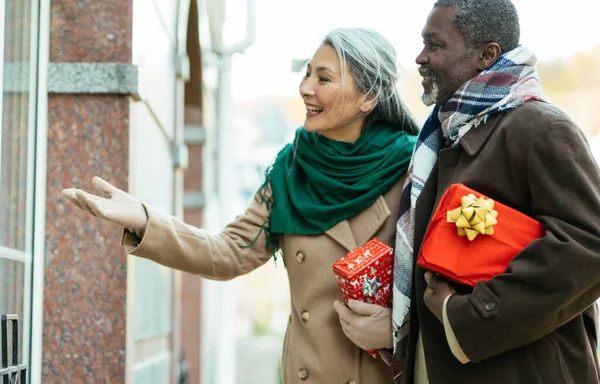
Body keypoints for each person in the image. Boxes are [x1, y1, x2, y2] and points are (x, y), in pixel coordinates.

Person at [62, 28, 419, 383]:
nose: (305, 87)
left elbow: (446, 292)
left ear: (368, 98)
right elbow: (230, 251)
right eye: (307, 72)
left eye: (323, 78)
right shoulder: (291, 169)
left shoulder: (416, 169)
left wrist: (396, 333)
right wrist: (144, 219)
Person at [388, 0, 600, 383]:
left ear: (486, 55)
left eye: (434, 46)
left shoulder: (540, 127)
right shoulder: (440, 136)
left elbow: (590, 246)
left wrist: (465, 317)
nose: (420, 58)